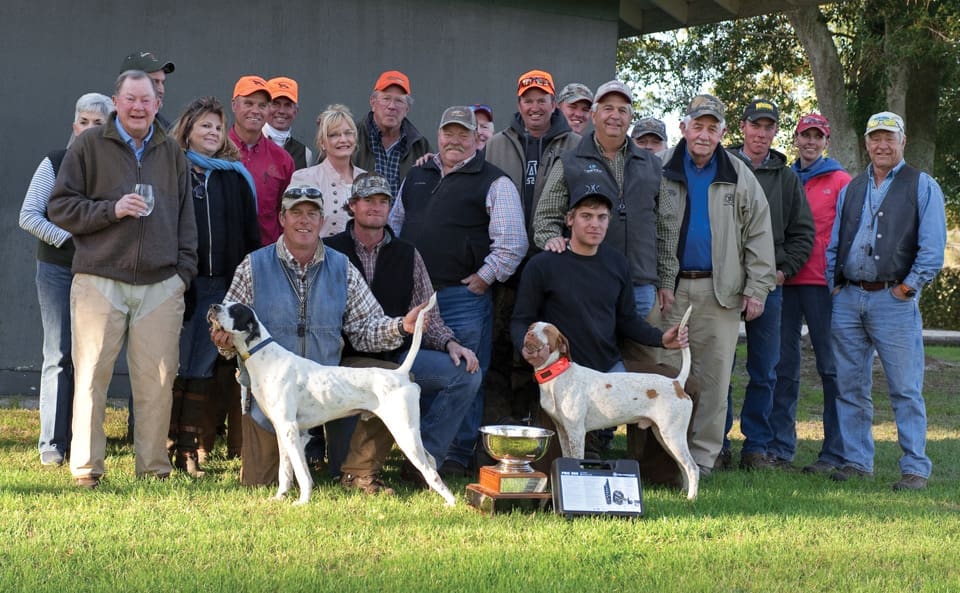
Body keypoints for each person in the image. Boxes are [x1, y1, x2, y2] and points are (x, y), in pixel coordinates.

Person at [210, 185, 428, 486]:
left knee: (395, 380)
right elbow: (228, 332)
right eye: (296, 212)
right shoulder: (253, 266)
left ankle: (358, 472)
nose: (305, 220)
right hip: (271, 395)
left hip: (328, 385)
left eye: (312, 214)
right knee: (259, 483)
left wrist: (402, 326)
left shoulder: (342, 268)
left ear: (322, 221)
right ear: (282, 219)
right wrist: (223, 342)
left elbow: (365, 328)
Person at [48, 70, 198, 488]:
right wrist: (110, 211)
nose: (137, 107)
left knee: (159, 380)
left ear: (157, 105)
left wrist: (182, 273)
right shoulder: (88, 146)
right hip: (100, 278)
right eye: (130, 99)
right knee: (92, 375)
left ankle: (153, 469)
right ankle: (86, 469)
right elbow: (60, 208)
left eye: (145, 100)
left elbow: (187, 218)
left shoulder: (171, 152)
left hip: (161, 284)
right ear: (116, 101)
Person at [389, 105, 527, 477]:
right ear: (438, 135)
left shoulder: (493, 181)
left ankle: (455, 456)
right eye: (448, 133)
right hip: (415, 300)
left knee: (465, 373)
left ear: (476, 140)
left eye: (463, 134)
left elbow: (512, 242)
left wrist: (484, 277)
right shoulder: (417, 177)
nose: (454, 140)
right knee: (422, 376)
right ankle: (419, 451)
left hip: (461, 297)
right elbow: (394, 226)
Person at [512, 186, 688, 468]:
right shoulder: (543, 264)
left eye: (602, 217)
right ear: (570, 219)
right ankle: (588, 453)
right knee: (554, 468)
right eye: (586, 216)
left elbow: (628, 320)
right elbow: (521, 319)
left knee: (684, 385)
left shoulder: (617, 263)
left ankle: (658, 473)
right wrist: (526, 347)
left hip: (609, 368)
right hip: (562, 376)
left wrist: (661, 339)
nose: (595, 224)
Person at [327, 173, 482, 494]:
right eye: (368, 200)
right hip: (339, 363)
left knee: (465, 374)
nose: (376, 207)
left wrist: (451, 343)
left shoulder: (408, 254)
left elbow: (429, 314)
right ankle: (354, 465)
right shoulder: (329, 251)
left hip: (396, 357)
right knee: (336, 464)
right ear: (352, 205)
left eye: (383, 201)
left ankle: (422, 461)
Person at [656, 94, 776, 476]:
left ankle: (703, 460)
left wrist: (757, 289)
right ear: (683, 128)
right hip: (668, 290)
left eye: (712, 128)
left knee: (713, 380)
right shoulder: (660, 169)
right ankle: (662, 458)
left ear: (723, 132)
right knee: (664, 375)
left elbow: (759, 234)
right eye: (698, 126)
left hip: (719, 293)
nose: (704, 135)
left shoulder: (739, 174)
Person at [826, 111, 946, 491]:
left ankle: (915, 468)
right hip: (849, 298)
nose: (882, 145)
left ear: (903, 142)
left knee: (905, 388)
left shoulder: (922, 185)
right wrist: (836, 284)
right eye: (875, 138)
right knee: (849, 386)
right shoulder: (852, 187)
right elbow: (834, 243)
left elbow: (932, 249)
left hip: (893, 300)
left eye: (889, 138)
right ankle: (858, 462)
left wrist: (907, 288)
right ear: (866, 143)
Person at [166, 96, 261, 476]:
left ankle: (189, 450)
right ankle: (168, 444)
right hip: (181, 283)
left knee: (203, 365)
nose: (213, 132)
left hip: (222, 287)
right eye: (205, 125)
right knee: (176, 365)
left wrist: (244, 286)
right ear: (187, 129)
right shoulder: (173, 171)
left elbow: (249, 234)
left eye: (218, 127)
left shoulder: (233, 176)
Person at [482, 69, 579, 432]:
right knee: (503, 346)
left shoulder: (573, 144)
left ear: (554, 103)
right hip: (506, 263)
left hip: (551, 261)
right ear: (519, 104)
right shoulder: (497, 144)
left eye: (542, 100)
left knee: (544, 347)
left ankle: (539, 427)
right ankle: (496, 428)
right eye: (528, 100)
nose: (535, 107)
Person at [19, 92, 113, 467]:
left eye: (100, 123)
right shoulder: (55, 161)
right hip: (58, 270)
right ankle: (52, 444)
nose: (91, 129)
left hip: (100, 272)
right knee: (58, 354)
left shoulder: (114, 168)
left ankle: (83, 439)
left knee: (91, 356)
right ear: (74, 125)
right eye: (85, 121)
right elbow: (28, 216)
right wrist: (71, 239)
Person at [721, 99, 814, 470]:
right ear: (742, 127)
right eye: (754, 125)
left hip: (768, 285)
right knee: (720, 366)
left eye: (768, 127)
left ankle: (756, 447)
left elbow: (803, 233)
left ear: (776, 131)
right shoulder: (721, 165)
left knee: (765, 369)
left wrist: (782, 271)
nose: (760, 133)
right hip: (724, 283)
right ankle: (719, 442)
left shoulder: (786, 177)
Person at [769, 113, 851, 474]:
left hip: (823, 286)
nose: (810, 142)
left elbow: (849, 232)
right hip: (785, 284)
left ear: (826, 141)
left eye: (817, 137)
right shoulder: (785, 177)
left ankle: (834, 451)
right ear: (796, 139)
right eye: (805, 136)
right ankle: (780, 448)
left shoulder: (841, 179)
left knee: (831, 370)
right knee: (782, 367)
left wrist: (841, 277)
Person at [228, 75, 295, 246]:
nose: (256, 110)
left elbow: (286, 212)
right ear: (234, 105)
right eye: (249, 103)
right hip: (222, 256)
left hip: (265, 255)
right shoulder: (215, 151)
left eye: (262, 105)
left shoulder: (283, 159)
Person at [290, 104, 365, 238]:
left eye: (348, 133)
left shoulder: (366, 179)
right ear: (322, 143)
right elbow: (296, 229)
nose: (343, 139)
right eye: (334, 135)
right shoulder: (305, 178)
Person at [354, 70, 430, 196]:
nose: (392, 106)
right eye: (386, 98)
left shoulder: (420, 146)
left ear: (407, 109)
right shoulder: (350, 138)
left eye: (399, 101)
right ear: (373, 103)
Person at [264, 76, 314, 169]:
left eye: (288, 105)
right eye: (275, 104)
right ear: (265, 107)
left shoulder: (305, 154)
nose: (281, 111)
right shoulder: (251, 144)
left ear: (295, 111)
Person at [120, 50, 175, 130]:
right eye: (154, 82)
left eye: (163, 82)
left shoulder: (168, 131)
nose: (161, 90)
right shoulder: (103, 123)